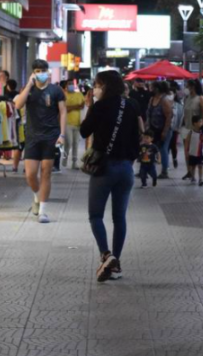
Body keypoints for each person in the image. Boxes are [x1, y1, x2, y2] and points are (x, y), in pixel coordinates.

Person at [80, 70, 140, 282]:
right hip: (125, 169)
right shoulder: (131, 105)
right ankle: (116, 264)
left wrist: (90, 106)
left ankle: (106, 255)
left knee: (96, 215)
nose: (95, 88)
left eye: (96, 84)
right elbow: (137, 137)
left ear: (104, 86)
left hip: (103, 169)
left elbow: (84, 131)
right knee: (119, 217)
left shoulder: (100, 106)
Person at [14, 60, 67, 224]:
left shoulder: (56, 90)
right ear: (33, 72)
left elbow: (63, 112)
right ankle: (37, 197)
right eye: (37, 70)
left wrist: (62, 135)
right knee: (30, 175)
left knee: (46, 172)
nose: (41, 73)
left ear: (48, 71)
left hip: (51, 136)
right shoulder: (28, 90)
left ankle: (43, 211)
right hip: (32, 137)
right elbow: (17, 105)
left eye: (43, 70)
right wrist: (29, 85)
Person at [181, 79, 203, 180]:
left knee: (200, 152)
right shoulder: (187, 98)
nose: (186, 88)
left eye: (188, 86)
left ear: (193, 87)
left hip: (197, 129)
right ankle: (190, 172)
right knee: (187, 151)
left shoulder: (200, 98)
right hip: (187, 127)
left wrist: (201, 128)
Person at [147, 81, 174, 179]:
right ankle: (147, 169)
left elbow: (168, 116)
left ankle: (164, 171)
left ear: (157, 89)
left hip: (163, 130)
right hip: (153, 129)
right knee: (150, 149)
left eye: (151, 87)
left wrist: (164, 131)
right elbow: (149, 114)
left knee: (163, 149)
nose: (150, 89)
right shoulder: (152, 99)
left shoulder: (164, 100)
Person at [62, 80, 85, 170]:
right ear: (66, 86)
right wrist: (76, 106)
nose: (71, 86)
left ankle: (74, 163)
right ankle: (64, 158)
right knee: (69, 143)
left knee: (75, 143)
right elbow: (64, 109)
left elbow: (82, 105)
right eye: (69, 84)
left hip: (78, 123)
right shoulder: (63, 95)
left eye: (72, 84)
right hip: (67, 123)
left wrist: (72, 107)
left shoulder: (79, 94)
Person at [186, 116, 203, 186]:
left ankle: (201, 179)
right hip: (192, 152)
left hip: (200, 153)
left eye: (202, 122)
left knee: (200, 165)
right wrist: (187, 150)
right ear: (195, 123)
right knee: (193, 166)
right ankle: (193, 177)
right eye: (200, 122)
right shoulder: (191, 132)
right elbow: (187, 141)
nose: (202, 123)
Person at [169, 84, 184, 169]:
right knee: (165, 146)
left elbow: (180, 117)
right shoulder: (165, 102)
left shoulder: (179, 105)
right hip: (166, 128)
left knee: (173, 145)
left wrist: (178, 128)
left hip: (174, 128)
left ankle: (174, 158)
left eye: (172, 93)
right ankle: (165, 162)